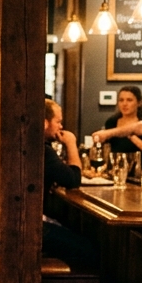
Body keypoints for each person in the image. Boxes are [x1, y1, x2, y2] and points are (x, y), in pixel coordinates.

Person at [42, 100, 97, 265]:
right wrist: (71, 143)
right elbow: (73, 180)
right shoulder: (43, 150)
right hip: (34, 228)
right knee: (92, 250)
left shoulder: (36, 145)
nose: (61, 127)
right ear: (45, 123)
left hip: (28, 222)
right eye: (58, 122)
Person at [102, 85, 142, 168]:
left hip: (140, 169)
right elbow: (106, 149)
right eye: (121, 100)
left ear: (139, 103)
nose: (124, 104)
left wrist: (130, 135)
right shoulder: (111, 122)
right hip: (116, 168)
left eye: (129, 100)